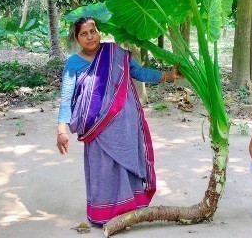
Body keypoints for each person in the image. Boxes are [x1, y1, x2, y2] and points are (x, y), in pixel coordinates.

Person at [56, 17, 182, 226]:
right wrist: (61, 130)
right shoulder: (74, 63)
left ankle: (130, 211)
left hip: (125, 124)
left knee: (126, 164)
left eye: (93, 31)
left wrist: (170, 75)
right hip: (96, 129)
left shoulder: (115, 53)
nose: (90, 37)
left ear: (98, 32)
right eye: (84, 34)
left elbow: (140, 73)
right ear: (77, 39)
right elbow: (66, 98)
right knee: (103, 169)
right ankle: (105, 215)